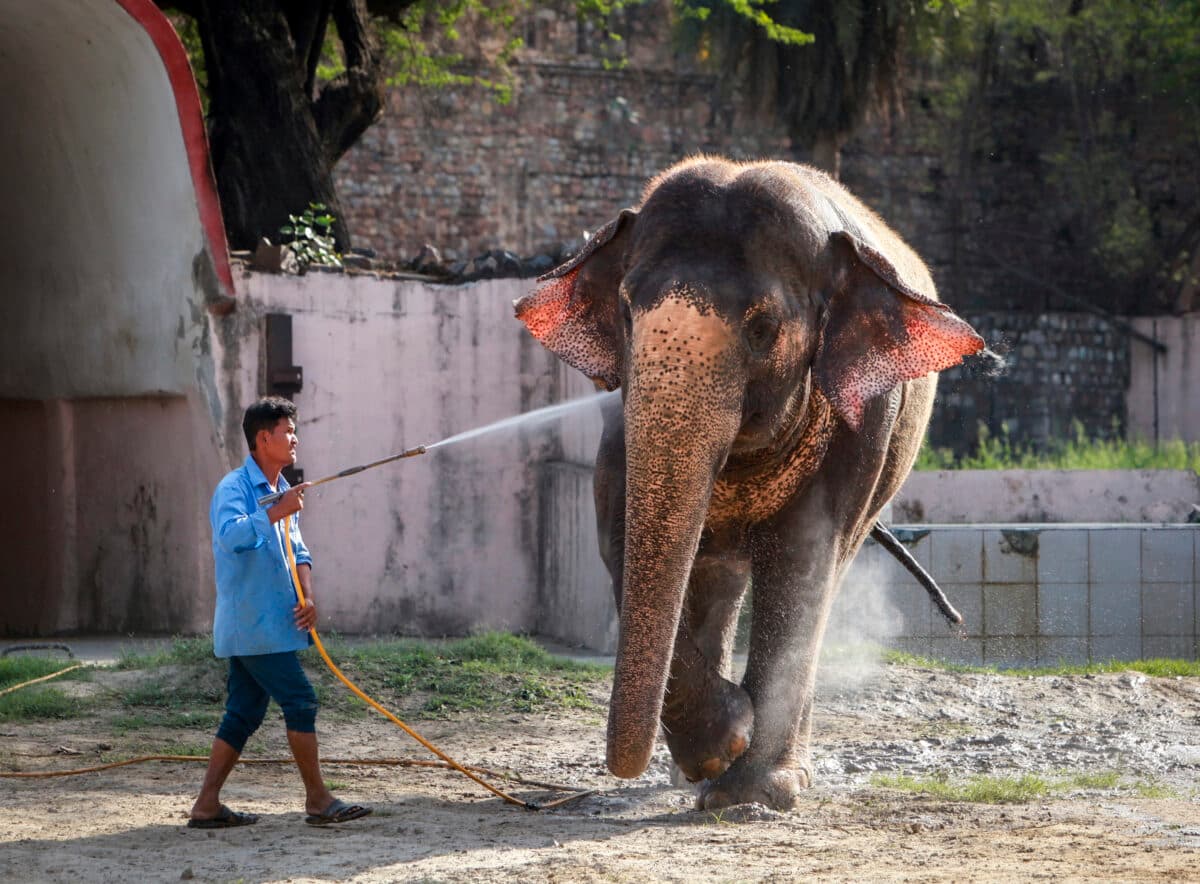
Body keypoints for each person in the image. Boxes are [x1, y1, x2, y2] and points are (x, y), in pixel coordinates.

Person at [188, 396, 372, 828]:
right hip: (251, 627)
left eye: (294, 431)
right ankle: (319, 800)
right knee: (300, 700)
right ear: (262, 438)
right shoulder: (233, 488)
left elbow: (299, 551)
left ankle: (206, 806)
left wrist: (307, 597)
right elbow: (229, 537)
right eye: (287, 432)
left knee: (244, 712)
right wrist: (275, 512)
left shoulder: (282, 490)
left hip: (272, 626)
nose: (295, 439)